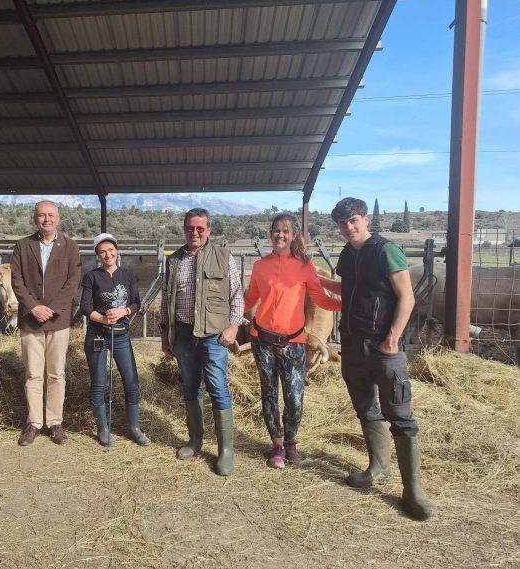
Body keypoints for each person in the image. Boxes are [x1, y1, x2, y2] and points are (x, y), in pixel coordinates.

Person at [324, 197, 436, 520]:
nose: (348, 228)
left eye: (354, 220)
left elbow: (407, 297)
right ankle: (377, 466)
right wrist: (312, 281)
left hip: (384, 348)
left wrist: (392, 338)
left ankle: (413, 491)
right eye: (342, 224)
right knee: (366, 409)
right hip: (353, 345)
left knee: (400, 414)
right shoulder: (347, 254)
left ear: (365, 219)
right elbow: (346, 290)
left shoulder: (386, 250)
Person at [244, 214, 341, 469]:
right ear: (271, 233)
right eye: (276, 230)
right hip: (262, 341)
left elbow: (320, 298)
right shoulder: (260, 266)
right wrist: (225, 317)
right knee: (269, 394)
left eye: (285, 231)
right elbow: (249, 300)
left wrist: (349, 304)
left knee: (295, 397)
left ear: (294, 235)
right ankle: (276, 445)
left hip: (294, 342)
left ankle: (291, 442)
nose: (280, 235)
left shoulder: (305, 266)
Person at [160, 208, 245, 476]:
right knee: (189, 387)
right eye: (190, 228)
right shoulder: (174, 260)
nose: (194, 232)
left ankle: (225, 451)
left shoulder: (223, 256)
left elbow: (237, 296)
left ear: (209, 230)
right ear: (184, 229)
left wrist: (233, 327)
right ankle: (195, 440)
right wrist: (165, 336)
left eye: (200, 228)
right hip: (183, 335)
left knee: (218, 388)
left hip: (213, 336)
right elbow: (166, 303)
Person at [11, 200, 81, 446]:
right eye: (42, 215)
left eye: (51, 215)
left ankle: (54, 422)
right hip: (31, 322)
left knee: (56, 374)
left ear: (58, 219)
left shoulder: (70, 247)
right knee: (33, 375)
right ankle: (34, 423)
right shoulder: (23, 246)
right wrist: (33, 307)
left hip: (58, 321)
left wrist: (51, 309)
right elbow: (17, 281)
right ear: (35, 219)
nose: (46, 219)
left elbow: (73, 281)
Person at [80, 233, 150, 447]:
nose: (107, 254)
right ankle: (103, 428)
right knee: (99, 383)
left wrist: (124, 311)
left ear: (116, 251)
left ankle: (135, 427)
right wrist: (103, 318)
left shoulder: (128, 275)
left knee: (131, 382)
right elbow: (85, 307)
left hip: (121, 336)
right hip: (98, 335)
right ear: (98, 255)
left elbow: (137, 303)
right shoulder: (92, 277)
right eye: (102, 251)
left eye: (110, 250)